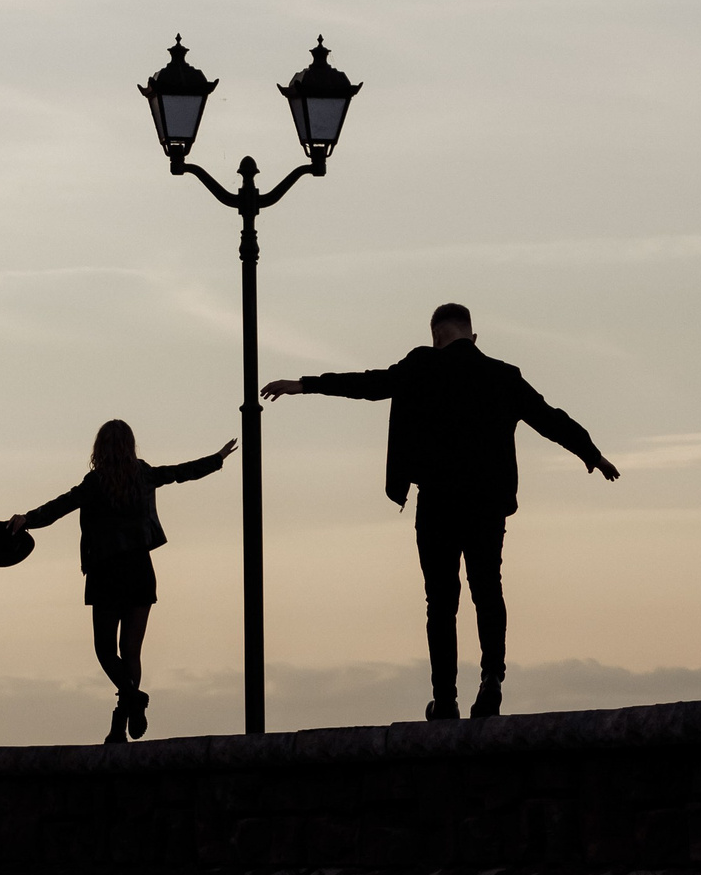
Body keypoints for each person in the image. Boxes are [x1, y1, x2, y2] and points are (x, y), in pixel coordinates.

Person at [260, 303, 618, 722]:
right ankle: (492, 680)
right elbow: (551, 420)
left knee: (441, 602)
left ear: (436, 335)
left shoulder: (421, 366)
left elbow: (369, 384)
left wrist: (303, 385)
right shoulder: (504, 376)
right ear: (473, 336)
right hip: (487, 504)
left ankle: (445, 698)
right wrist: (591, 455)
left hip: (438, 503)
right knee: (488, 589)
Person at [5, 421, 237, 744]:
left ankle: (130, 700)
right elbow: (179, 473)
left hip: (106, 573)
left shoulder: (94, 483)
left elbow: (60, 506)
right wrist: (216, 460)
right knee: (131, 652)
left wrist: (27, 518)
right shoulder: (144, 475)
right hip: (139, 570)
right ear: (130, 446)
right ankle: (121, 719)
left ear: (99, 448)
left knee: (104, 649)